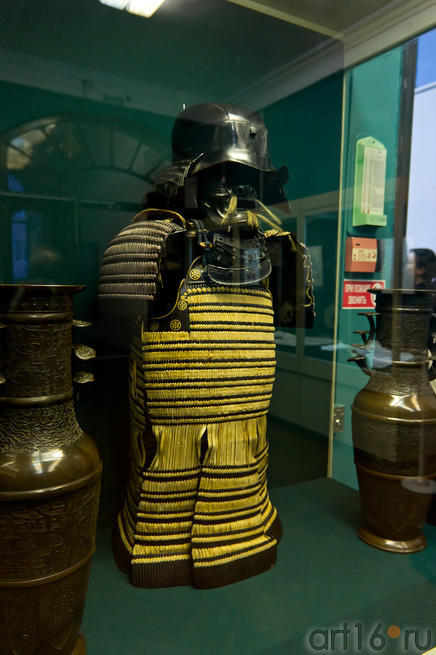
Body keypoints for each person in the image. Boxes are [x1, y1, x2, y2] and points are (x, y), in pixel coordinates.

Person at [99, 103, 314, 588]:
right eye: (223, 178)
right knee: (165, 490)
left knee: (242, 474)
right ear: (189, 174)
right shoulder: (150, 241)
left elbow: (295, 319)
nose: (237, 195)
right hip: (166, 455)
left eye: (247, 180)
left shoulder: (280, 249)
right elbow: (113, 329)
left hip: (246, 443)